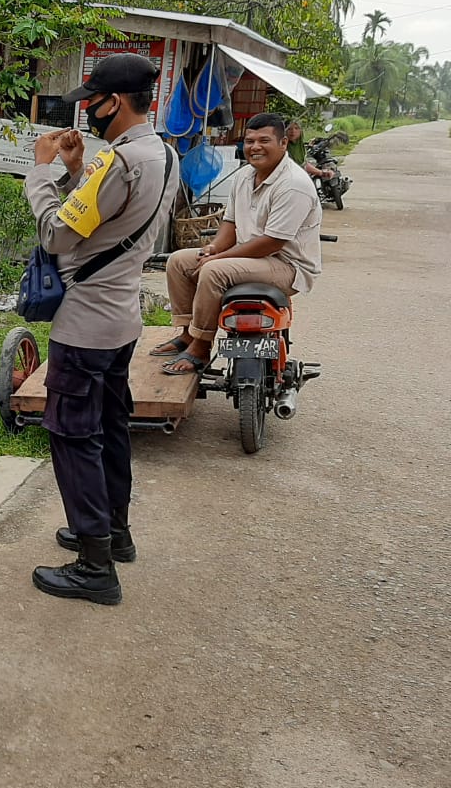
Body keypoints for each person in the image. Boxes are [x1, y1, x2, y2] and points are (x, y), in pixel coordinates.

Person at [24, 53, 179, 606]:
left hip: (86, 324)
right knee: (111, 426)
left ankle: (94, 566)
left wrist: (41, 172)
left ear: (114, 103)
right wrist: (74, 171)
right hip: (121, 320)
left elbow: (57, 234)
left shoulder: (119, 161)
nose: (86, 110)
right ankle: (115, 533)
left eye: (91, 101)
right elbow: (108, 221)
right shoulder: (162, 153)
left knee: (73, 434)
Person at [156, 112, 322, 374]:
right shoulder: (244, 176)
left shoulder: (293, 184)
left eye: (264, 141)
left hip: (287, 265)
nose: (255, 147)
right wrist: (213, 248)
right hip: (250, 259)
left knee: (214, 270)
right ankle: (188, 333)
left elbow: (272, 243)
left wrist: (218, 258)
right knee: (179, 261)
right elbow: (230, 223)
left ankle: (201, 346)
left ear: (283, 143)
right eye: (250, 141)